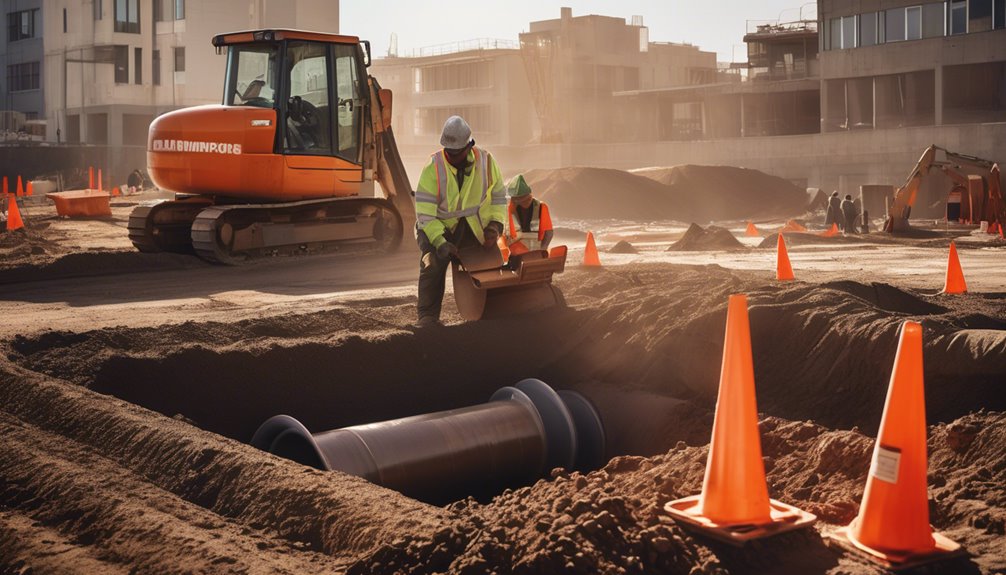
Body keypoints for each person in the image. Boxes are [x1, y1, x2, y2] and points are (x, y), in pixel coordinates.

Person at [414, 116, 506, 328]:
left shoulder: (487, 162)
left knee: (488, 262)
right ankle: (427, 317)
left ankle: (490, 311)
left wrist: (495, 225)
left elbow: (499, 197)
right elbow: (425, 214)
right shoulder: (433, 167)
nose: (452, 156)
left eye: (456, 153)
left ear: (469, 145)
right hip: (436, 228)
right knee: (432, 263)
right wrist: (440, 242)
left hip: (472, 227)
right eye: (448, 152)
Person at [504, 174, 553, 256]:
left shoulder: (541, 207)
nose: (524, 203)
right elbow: (505, 235)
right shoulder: (509, 210)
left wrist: (542, 250)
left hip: (535, 253)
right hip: (517, 255)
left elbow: (549, 233)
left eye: (525, 200)